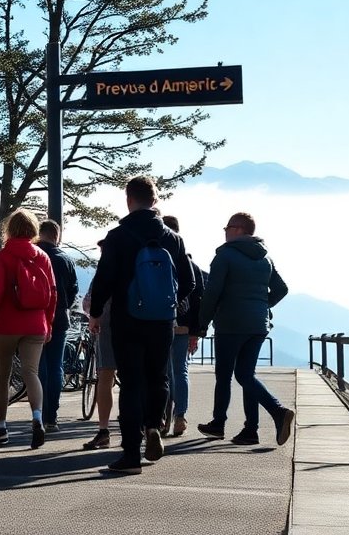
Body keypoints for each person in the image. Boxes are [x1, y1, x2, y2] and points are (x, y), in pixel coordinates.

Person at [88, 176, 193, 474]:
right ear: (155, 200)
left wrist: (96, 313)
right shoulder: (173, 238)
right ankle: (152, 426)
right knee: (158, 377)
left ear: (128, 199)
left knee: (131, 383)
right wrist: (171, 304)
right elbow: (189, 282)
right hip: (161, 322)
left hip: (127, 319)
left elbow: (105, 280)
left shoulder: (117, 236)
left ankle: (131, 456)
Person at [196, 212, 295, 446]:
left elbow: (212, 292)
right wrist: (261, 305)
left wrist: (201, 322)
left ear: (239, 229)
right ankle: (251, 430)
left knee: (226, 375)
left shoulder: (225, 255)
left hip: (231, 323)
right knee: (246, 375)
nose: (225, 231)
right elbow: (282, 289)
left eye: (227, 227)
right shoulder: (265, 258)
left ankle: (221, 423)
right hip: (258, 325)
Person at [0, 208, 56, 449]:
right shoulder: (42, 256)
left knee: (2, 375)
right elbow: (52, 294)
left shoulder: (3, 256)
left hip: (7, 322)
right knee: (31, 372)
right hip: (36, 323)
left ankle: (1, 428)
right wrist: (48, 323)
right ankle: (37, 419)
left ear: (10, 229)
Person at [161, 214, 207, 437]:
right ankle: (181, 415)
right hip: (183, 325)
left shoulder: (155, 257)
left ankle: (162, 417)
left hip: (157, 321)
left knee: (161, 372)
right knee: (180, 370)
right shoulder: (191, 265)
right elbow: (199, 298)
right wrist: (196, 331)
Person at [35, 219, 78, 433]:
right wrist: (62, 307)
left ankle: (39, 414)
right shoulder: (65, 259)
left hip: (33, 318)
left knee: (38, 366)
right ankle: (52, 416)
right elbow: (72, 291)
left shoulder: (32, 256)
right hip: (59, 319)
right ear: (57, 235)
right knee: (55, 367)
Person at [81, 259, 118, 451]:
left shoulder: (106, 269)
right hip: (138, 323)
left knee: (105, 377)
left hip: (107, 324)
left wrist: (93, 317)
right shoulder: (140, 260)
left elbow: (90, 300)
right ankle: (141, 427)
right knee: (136, 378)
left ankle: (104, 431)